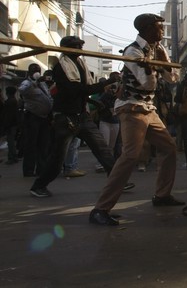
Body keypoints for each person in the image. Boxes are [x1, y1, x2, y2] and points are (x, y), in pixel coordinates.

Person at [89, 13, 182, 226]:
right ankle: (100, 209)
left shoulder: (158, 49)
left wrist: (163, 60)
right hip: (131, 109)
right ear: (147, 29)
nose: (161, 31)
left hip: (149, 110)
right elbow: (148, 84)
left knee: (168, 148)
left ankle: (162, 195)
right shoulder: (133, 51)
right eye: (159, 28)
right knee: (130, 156)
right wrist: (153, 64)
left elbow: (173, 79)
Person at [29, 36, 133, 197]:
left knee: (103, 150)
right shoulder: (61, 67)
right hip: (66, 118)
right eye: (77, 46)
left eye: (80, 45)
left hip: (82, 115)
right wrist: (107, 82)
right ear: (67, 48)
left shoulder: (79, 64)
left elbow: (81, 92)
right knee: (58, 158)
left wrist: (93, 102)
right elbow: (76, 90)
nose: (80, 48)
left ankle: (117, 182)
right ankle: (38, 186)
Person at [18, 63, 54, 177]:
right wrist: (34, 82)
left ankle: (41, 169)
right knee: (31, 144)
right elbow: (21, 91)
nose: (37, 71)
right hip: (32, 116)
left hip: (44, 118)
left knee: (43, 144)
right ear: (29, 72)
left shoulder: (42, 84)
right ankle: (29, 170)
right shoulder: (27, 83)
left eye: (38, 69)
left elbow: (48, 96)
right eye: (34, 70)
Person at [2, 86, 20, 165]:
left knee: (10, 141)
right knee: (11, 141)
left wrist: (6, 125)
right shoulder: (14, 100)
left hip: (10, 125)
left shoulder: (10, 101)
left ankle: (12, 157)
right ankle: (13, 157)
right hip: (13, 124)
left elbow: (8, 115)